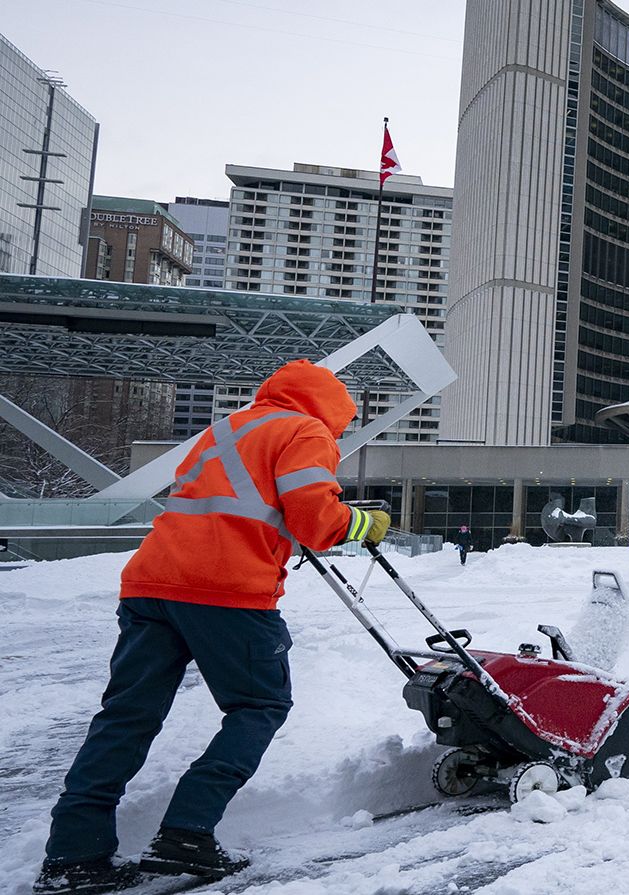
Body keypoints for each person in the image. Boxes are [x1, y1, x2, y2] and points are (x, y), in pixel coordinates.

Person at [36, 360, 391, 895]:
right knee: (259, 706)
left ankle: (73, 856)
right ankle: (186, 832)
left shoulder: (226, 428)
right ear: (333, 408)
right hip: (228, 591)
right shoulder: (306, 430)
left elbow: (237, 505)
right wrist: (365, 521)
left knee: (126, 716)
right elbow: (316, 522)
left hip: (151, 584)